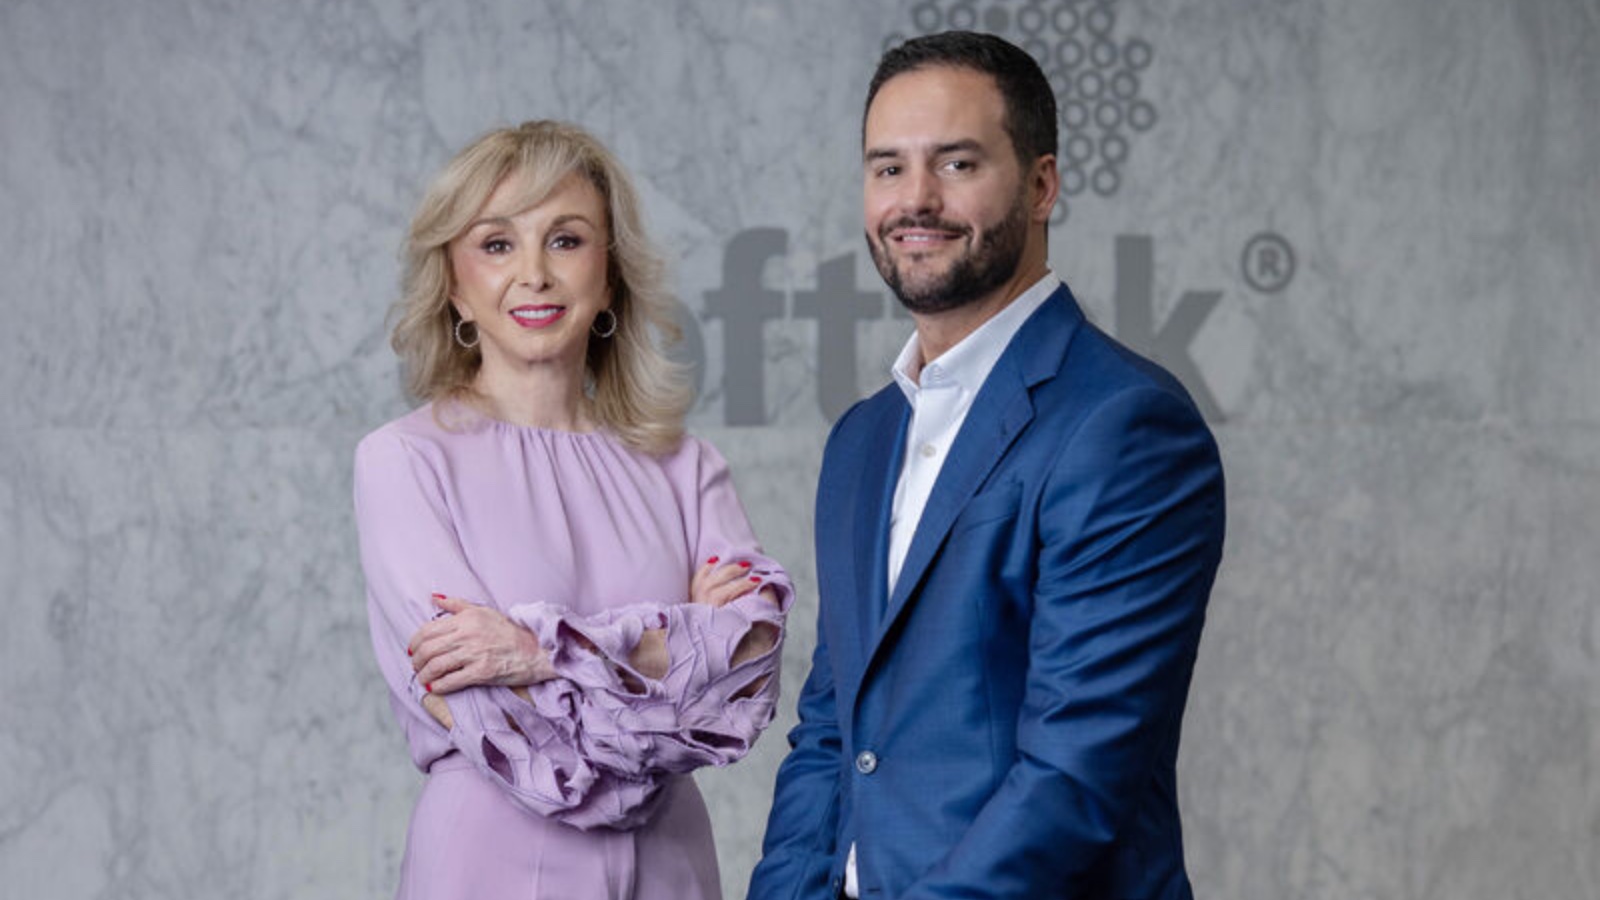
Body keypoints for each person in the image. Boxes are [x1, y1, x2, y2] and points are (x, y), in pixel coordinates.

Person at [748, 31, 1225, 900]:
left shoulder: (1126, 426)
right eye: (887, 168)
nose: (914, 200)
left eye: (957, 164)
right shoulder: (862, 439)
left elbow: (1074, 776)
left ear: (1041, 185)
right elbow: (830, 734)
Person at [354, 120, 791, 900]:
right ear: (453, 282)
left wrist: (537, 651)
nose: (534, 274)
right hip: (490, 866)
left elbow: (744, 679)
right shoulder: (403, 463)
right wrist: (673, 649)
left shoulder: (686, 467)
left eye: (566, 240)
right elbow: (506, 730)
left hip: (673, 868)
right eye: (496, 244)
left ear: (611, 273)